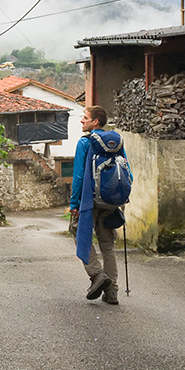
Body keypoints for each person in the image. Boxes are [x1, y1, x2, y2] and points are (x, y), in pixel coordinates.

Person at [69, 105, 123, 304]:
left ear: (95, 122)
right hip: (110, 200)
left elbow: (79, 176)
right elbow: (128, 172)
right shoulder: (116, 142)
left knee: (79, 234)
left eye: (85, 117)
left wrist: (74, 202)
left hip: (89, 200)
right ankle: (112, 291)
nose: (82, 121)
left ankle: (98, 275)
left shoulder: (85, 143)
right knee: (107, 244)